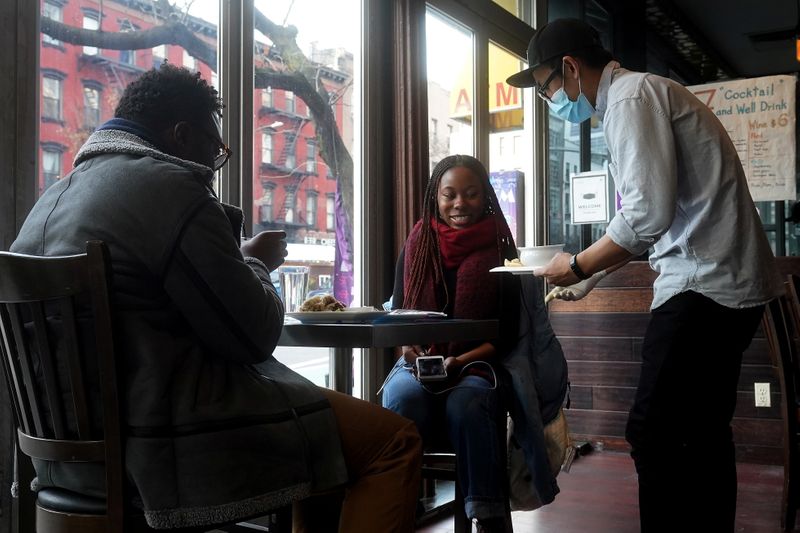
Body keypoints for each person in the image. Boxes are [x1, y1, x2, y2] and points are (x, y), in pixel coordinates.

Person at [11, 64, 421, 532]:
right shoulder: (171, 187)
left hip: (65, 465)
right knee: (393, 442)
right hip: (167, 446)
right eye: (214, 148)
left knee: (330, 447)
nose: (212, 166)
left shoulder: (51, 200)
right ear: (182, 135)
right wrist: (255, 263)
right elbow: (256, 335)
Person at [506, 18, 783, 532]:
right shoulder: (645, 94)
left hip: (704, 285)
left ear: (569, 67)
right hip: (726, 283)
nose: (549, 100)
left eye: (546, 87)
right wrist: (585, 279)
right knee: (702, 433)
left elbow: (646, 215)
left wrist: (578, 264)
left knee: (652, 432)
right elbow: (657, 219)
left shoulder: (630, 100)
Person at [381, 155, 520, 533]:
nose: (460, 203)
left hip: (479, 363)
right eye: (450, 195)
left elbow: (507, 336)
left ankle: (487, 514)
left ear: (486, 196)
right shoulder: (417, 243)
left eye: (471, 194)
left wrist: (458, 363)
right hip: (418, 364)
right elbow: (398, 320)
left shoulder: (502, 249)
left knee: (467, 401)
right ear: (435, 199)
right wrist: (410, 351)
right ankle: (394, 510)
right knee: (403, 399)